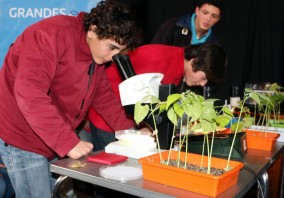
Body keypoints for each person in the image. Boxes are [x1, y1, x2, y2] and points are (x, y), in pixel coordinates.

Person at [0, 0, 141, 197]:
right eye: (112, 47)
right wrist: (68, 142)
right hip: (23, 137)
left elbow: (103, 98)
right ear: (93, 29)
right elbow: (30, 94)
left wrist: (132, 134)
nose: (113, 57)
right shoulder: (50, 35)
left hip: (52, 137)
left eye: (119, 51)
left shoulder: (96, 53)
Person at [88, 42, 228, 151]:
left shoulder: (176, 64)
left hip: (125, 122)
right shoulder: (159, 60)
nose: (203, 84)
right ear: (193, 61)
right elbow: (109, 92)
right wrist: (131, 130)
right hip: (108, 121)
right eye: (203, 78)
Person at [151, 0, 223, 47]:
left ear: (218, 19)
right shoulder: (173, 26)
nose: (208, 19)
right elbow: (153, 52)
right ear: (197, 10)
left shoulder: (214, 44)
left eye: (214, 16)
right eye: (205, 13)